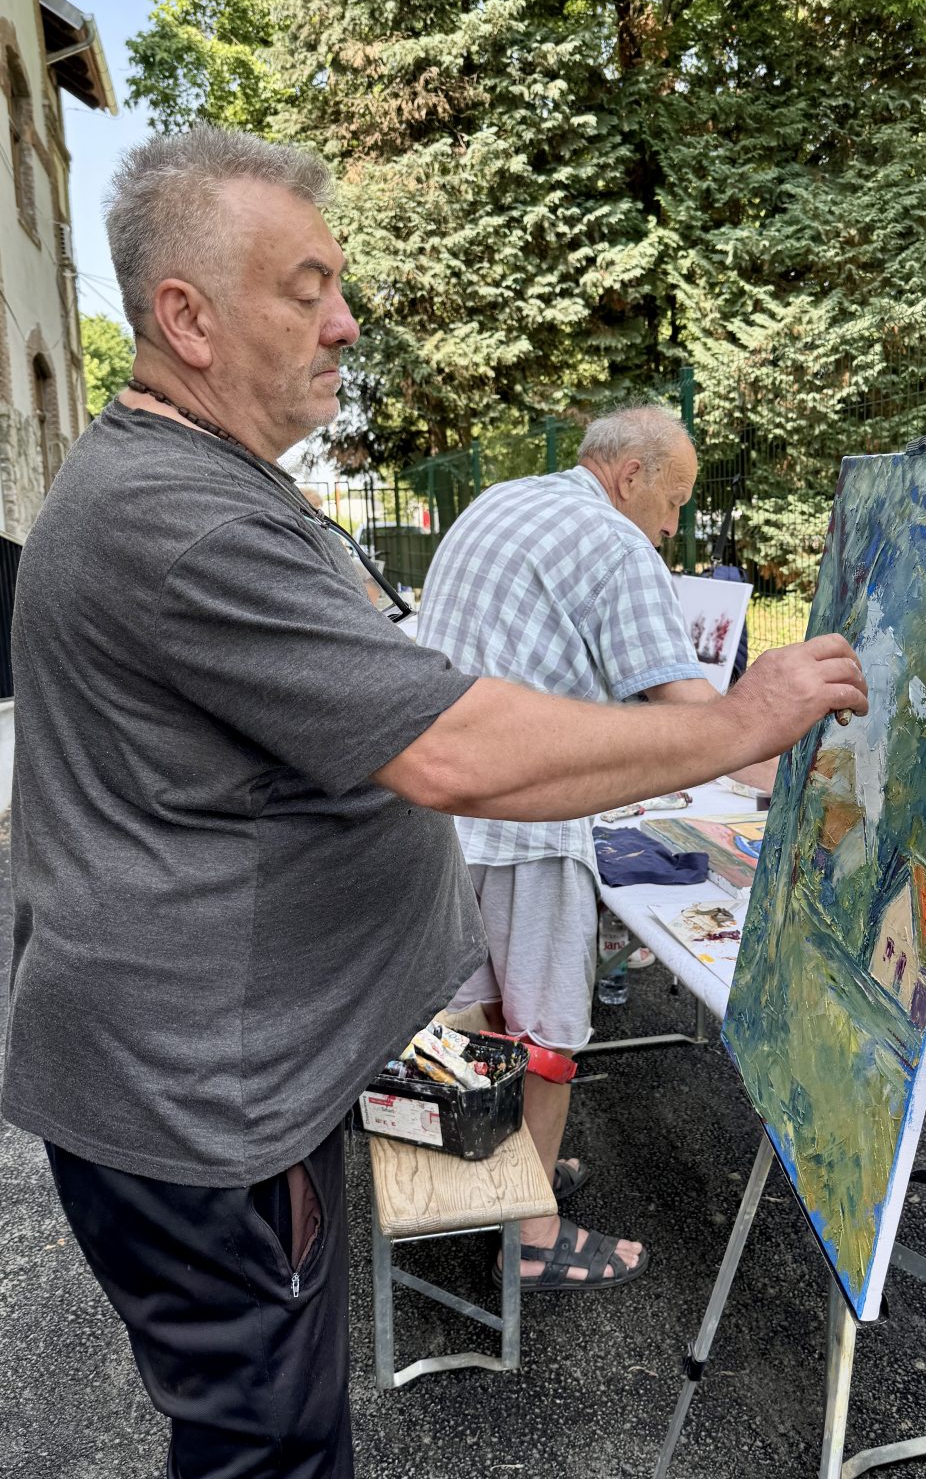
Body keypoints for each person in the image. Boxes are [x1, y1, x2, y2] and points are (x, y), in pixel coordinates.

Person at [1, 125, 867, 1479]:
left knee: (273, 1429)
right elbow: (451, 749)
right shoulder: (181, 516)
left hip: (222, 1081)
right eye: (306, 290)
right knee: (269, 1449)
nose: (346, 322)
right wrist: (742, 722)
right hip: (201, 1103)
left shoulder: (212, 485)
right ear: (189, 319)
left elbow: (379, 687)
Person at [418, 407, 765, 1293]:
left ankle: (497, 1178)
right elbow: (698, 717)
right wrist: (789, 745)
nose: (674, 525)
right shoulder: (616, 544)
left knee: (469, 1013)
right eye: (675, 500)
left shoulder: (504, 500)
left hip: (438, 807)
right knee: (548, 1030)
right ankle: (531, 1234)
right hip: (528, 819)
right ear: (630, 475)